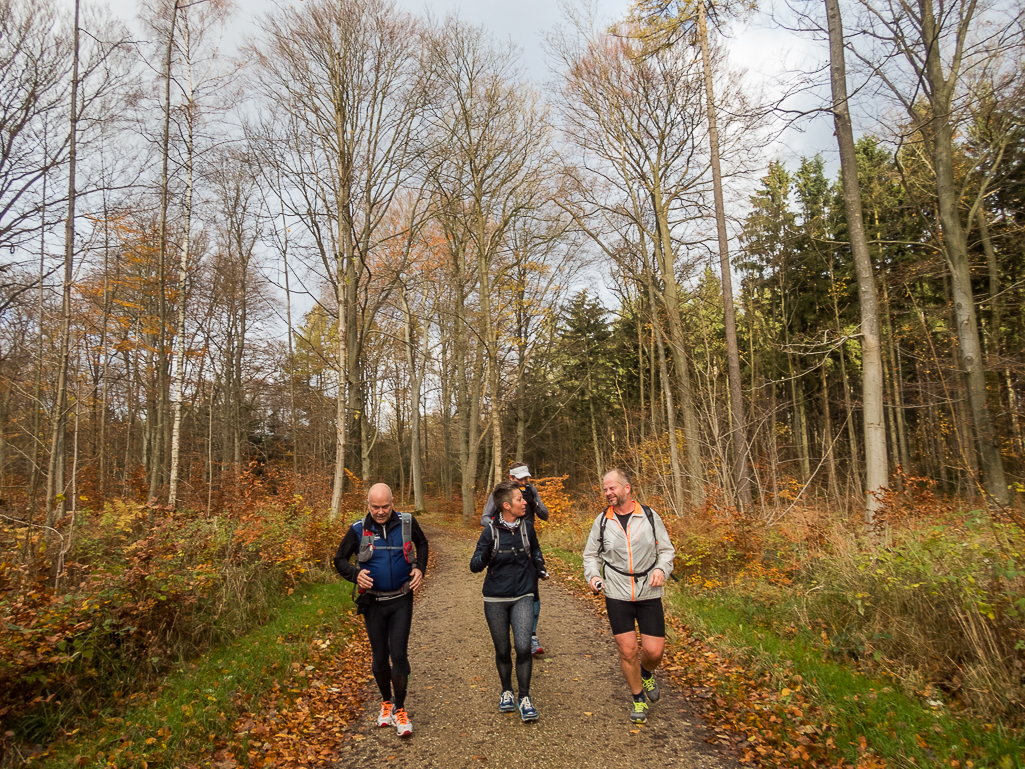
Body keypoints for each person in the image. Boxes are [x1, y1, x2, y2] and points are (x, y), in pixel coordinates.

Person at [334, 483, 428, 737]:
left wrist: (419, 568)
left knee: (398, 654)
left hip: (401, 599)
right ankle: (386, 702)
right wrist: (355, 575)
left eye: (385, 506)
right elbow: (339, 559)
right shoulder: (358, 529)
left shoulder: (408, 523)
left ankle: (400, 709)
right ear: (367, 504)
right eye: (375, 507)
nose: (380, 511)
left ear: (393, 502)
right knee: (379, 656)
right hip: (372, 602)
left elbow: (423, 544)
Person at [582, 468, 675, 724]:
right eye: (605, 489)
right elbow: (591, 555)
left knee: (654, 652)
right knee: (627, 650)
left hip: (648, 591)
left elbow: (667, 551)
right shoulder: (602, 521)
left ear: (627, 488)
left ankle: (646, 672)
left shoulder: (648, 516)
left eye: (612, 488)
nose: (608, 493)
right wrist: (593, 576)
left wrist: (660, 569)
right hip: (616, 592)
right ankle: (638, 698)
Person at [470, 479, 548, 723]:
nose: (525, 502)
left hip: (523, 594)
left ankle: (524, 697)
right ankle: (506, 691)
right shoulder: (489, 531)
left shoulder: (527, 528)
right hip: (495, 598)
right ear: (506, 506)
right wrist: (486, 552)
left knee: (524, 647)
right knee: (503, 650)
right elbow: (474, 566)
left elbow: (535, 550)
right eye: (519, 500)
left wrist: (540, 566)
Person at [480, 462, 549, 655]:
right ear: (511, 478)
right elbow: (484, 518)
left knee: (533, 590)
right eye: (520, 479)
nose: (524, 481)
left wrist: (533, 503)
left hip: (527, 548)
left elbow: (545, 515)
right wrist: (499, 527)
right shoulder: (500, 494)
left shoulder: (531, 491)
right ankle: (509, 629)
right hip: (504, 550)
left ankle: (531, 635)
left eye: (526, 478)